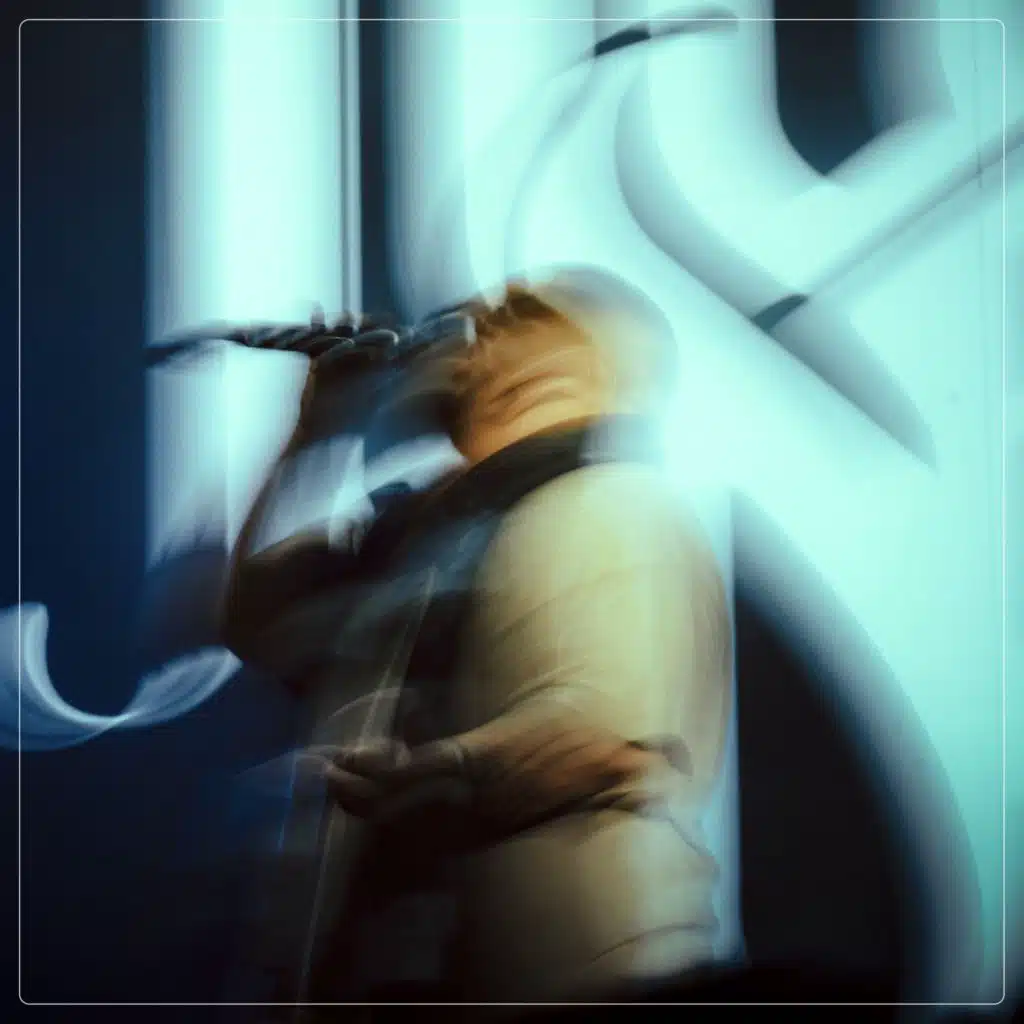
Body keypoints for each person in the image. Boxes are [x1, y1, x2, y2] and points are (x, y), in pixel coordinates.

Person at [220, 269, 733, 1008]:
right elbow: (254, 619)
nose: (466, 330)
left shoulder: (612, 505)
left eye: (512, 319)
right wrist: (315, 436)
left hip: (566, 986)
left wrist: (432, 773)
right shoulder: (411, 535)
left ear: (562, 369)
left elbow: (604, 742)